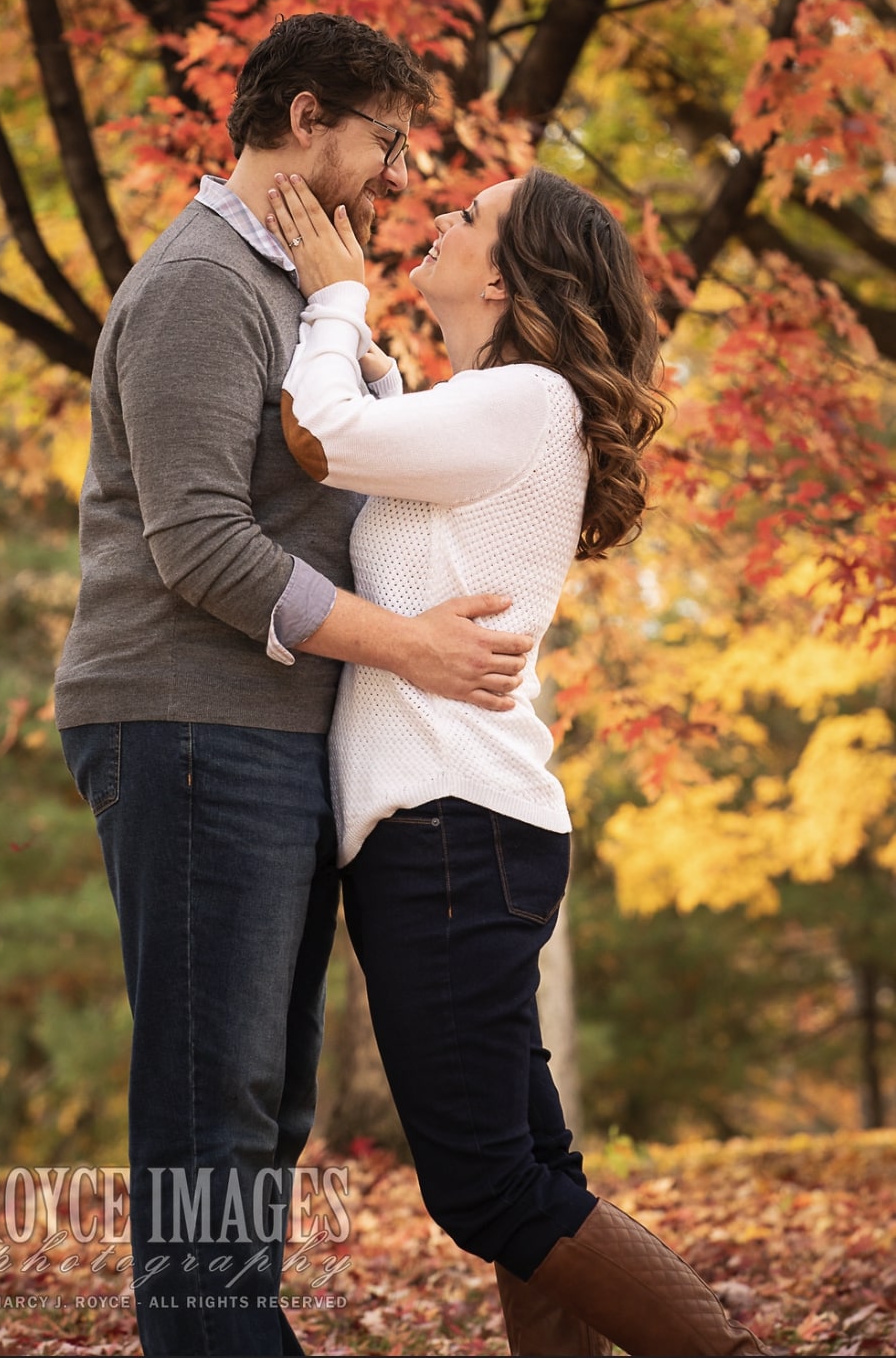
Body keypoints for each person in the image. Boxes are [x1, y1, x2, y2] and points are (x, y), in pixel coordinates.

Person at [54, 12, 534, 1358]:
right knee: (217, 1102)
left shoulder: (293, 294)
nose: (394, 178)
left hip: (260, 727)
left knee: (263, 1104)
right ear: (307, 117)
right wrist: (413, 649)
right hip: (188, 720)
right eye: (384, 143)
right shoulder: (206, 283)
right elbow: (200, 542)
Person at [267, 165, 772, 1357]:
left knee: (486, 1185)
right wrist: (372, 349)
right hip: (463, 830)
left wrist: (336, 303)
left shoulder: (528, 400)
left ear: (504, 271)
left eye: (468, 216)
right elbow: (383, 439)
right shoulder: (498, 406)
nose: (437, 216)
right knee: (528, 1172)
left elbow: (322, 439)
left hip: (449, 830)